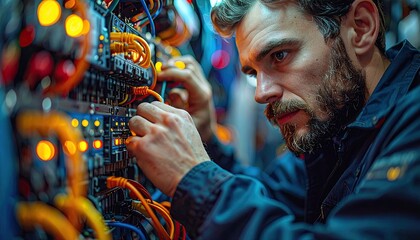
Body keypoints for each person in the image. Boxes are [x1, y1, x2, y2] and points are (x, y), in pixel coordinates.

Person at [126, 0, 420, 238]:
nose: (261, 93)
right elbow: (273, 199)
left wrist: (194, 178)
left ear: (361, 28)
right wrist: (207, 141)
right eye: (253, 73)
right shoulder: (335, 127)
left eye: (280, 55)